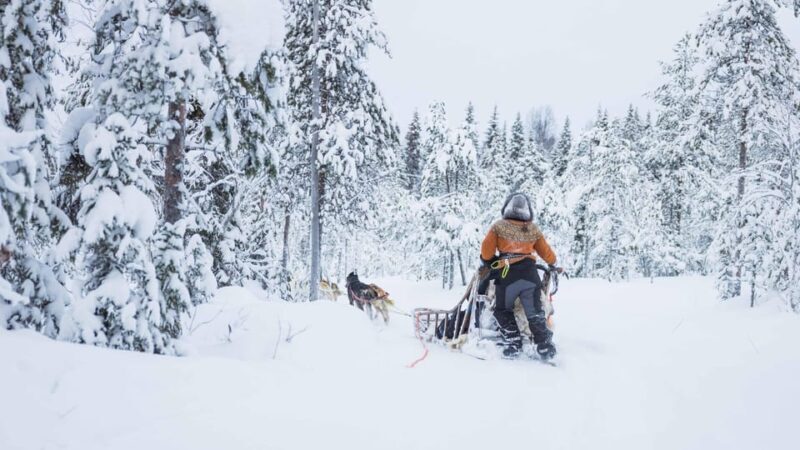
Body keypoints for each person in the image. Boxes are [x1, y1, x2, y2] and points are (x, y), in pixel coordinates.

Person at [479, 192, 558, 360]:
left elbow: (486, 251)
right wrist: (553, 263)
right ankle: (544, 345)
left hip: (508, 275)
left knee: (502, 309)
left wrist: (490, 260)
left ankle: (513, 342)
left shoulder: (499, 226)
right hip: (530, 275)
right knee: (535, 312)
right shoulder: (533, 229)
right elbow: (547, 253)